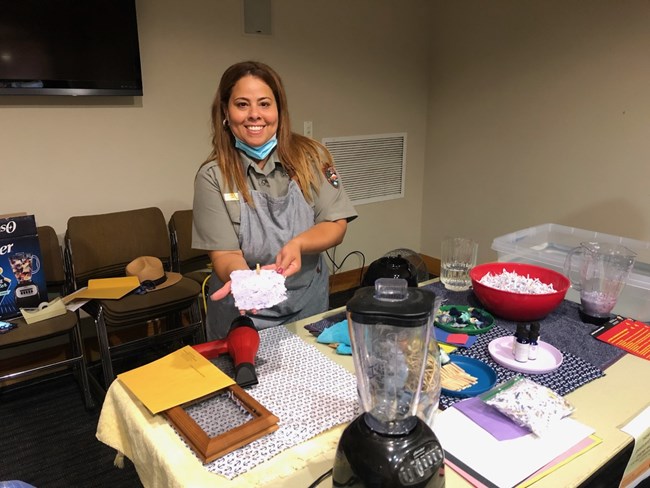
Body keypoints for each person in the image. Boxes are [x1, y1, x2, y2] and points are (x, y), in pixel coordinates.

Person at [192, 61, 358, 340]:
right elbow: (225, 254)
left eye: (264, 104)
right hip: (244, 313)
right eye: (242, 104)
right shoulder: (212, 176)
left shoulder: (312, 157)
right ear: (225, 111)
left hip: (307, 304)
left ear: (279, 109)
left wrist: (298, 244)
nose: (254, 115)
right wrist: (248, 284)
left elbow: (335, 224)